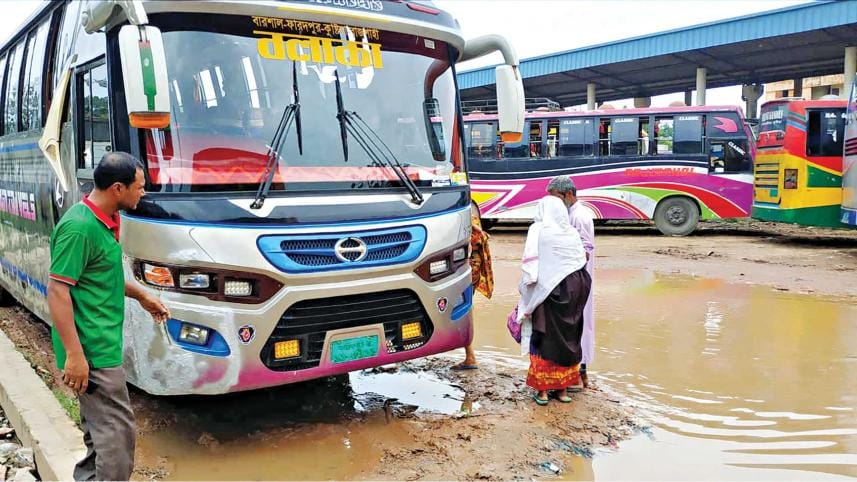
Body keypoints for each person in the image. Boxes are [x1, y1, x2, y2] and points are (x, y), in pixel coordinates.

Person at [47, 152, 170, 481]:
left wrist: (143, 296)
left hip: (100, 346)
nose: (142, 193)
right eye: (139, 187)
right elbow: (58, 292)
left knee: (99, 434)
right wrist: (75, 356)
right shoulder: (79, 229)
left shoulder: (102, 221)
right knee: (117, 436)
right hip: (92, 351)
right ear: (118, 188)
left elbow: (102, 276)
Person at [516, 182, 590, 405]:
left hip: (548, 295)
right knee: (568, 339)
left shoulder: (537, 231)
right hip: (575, 293)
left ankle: (543, 391)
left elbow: (530, 270)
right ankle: (563, 390)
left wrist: (527, 297)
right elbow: (580, 263)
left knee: (544, 339)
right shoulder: (572, 234)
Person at [549, 176, 595, 389]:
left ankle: (580, 374)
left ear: (567, 194)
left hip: (578, 280)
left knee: (580, 323)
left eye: (555, 197)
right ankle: (579, 374)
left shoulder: (581, 217)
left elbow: (585, 251)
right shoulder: (569, 214)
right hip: (573, 278)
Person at [453, 203, 494, 370]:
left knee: (462, 310)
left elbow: (475, 238)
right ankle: (469, 355)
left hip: (467, 268)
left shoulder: (465, 207)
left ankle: (470, 356)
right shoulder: (470, 206)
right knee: (463, 310)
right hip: (469, 267)